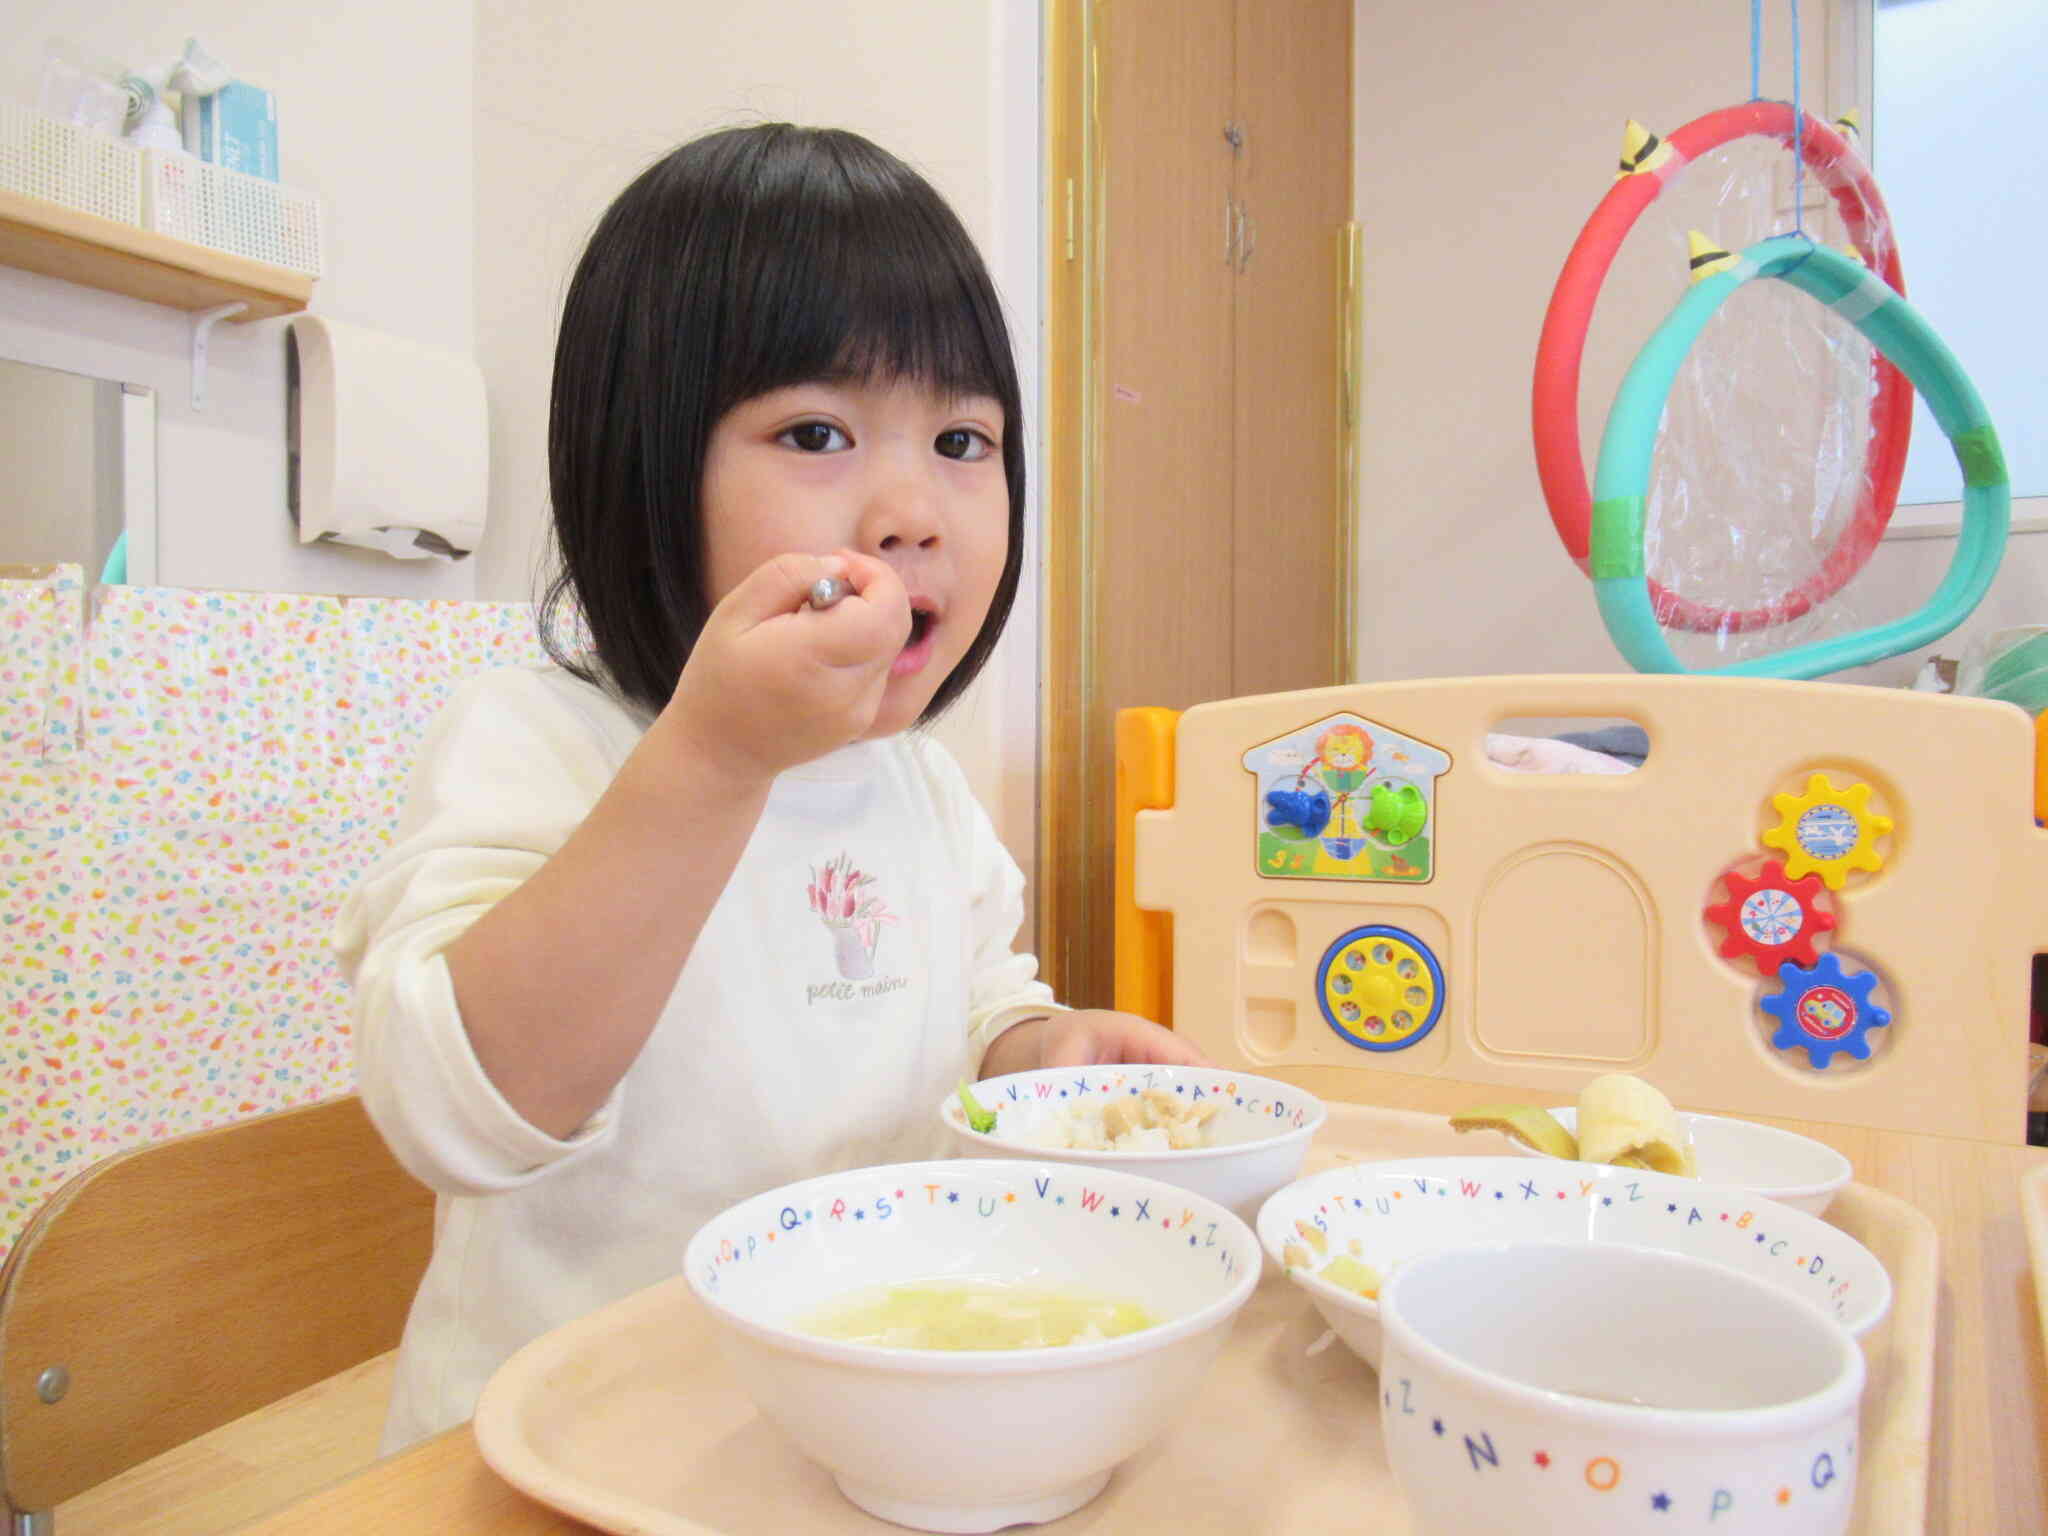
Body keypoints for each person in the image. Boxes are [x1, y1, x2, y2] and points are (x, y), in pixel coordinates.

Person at [335, 122, 1203, 1452]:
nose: (913, 509)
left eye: (965, 442)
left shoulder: (917, 786)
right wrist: (719, 755)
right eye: (817, 431)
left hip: (847, 1427)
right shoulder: (537, 744)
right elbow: (466, 1114)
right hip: (559, 1447)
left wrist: (1039, 1055)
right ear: (641, 467)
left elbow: (970, 1007)